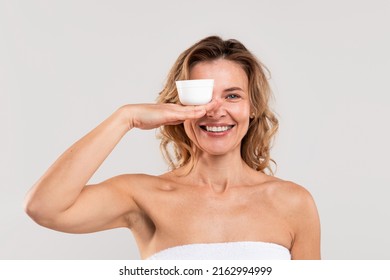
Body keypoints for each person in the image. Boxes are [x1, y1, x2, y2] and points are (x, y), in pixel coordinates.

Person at [24, 36, 321, 260]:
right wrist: (125, 118)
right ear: (178, 104)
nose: (215, 110)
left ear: (252, 107)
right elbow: (44, 207)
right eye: (201, 96)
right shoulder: (143, 196)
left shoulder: (293, 203)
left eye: (232, 96)